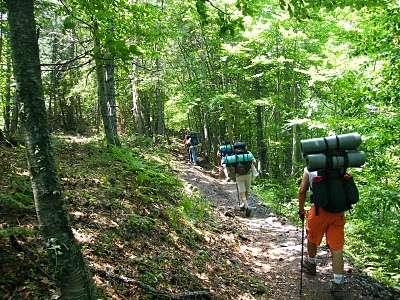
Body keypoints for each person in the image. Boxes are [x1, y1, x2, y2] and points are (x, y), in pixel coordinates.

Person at [298, 167, 346, 296]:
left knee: (312, 238)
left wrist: (301, 210)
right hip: (338, 212)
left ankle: (311, 264)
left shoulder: (309, 168)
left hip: (318, 211)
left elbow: (302, 190)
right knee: (337, 248)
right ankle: (337, 283)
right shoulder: (340, 164)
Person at [232, 142, 258, 216]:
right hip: (248, 174)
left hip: (238, 175)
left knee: (241, 192)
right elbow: (254, 162)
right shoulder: (248, 153)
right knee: (247, 191)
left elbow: (230, 166)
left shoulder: (234, 154)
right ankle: (245, 205)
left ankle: (246, 206)